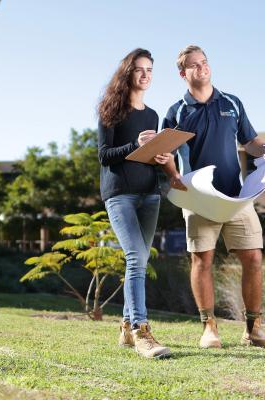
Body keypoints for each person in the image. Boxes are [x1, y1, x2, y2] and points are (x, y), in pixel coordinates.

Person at [157, 45, 265, 349]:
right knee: (202, 260)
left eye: (204, 63)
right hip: (199, 198)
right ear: (182, 73)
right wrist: (173, 176)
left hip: (237, 196)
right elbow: (167, 154)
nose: (201, 68)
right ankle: (209, 329)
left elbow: (250, 142)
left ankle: (254, 330)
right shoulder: (177, 112)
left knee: (253, 257)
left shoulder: (232, 103)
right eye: (194, 65)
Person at [97, 48, 172, 359]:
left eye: (150, 70)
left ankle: (127, 329)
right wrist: (135, 145)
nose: (146, 75)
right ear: (127, 73)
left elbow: (148, 159)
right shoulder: (109, 111)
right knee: (134, 258)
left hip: (149, 194)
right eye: (140, 69)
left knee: (139, 261)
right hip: (120, 195)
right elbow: (105, 156)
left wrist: (162, 157)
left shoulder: (152, 115)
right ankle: (142, 332)